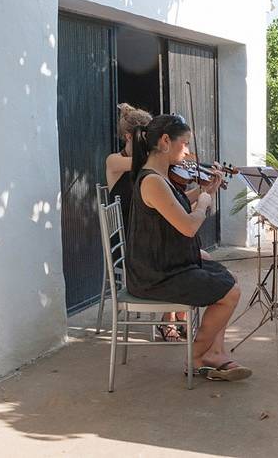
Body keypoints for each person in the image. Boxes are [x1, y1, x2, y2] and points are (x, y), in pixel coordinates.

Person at [124, 114, 251, 381]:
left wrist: (206, 191)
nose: (189, 151)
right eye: (185, 144)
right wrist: (204, 202)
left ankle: (215, 352)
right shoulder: (153, 181)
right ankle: (197, 356)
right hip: (156, 275)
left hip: (166, 262)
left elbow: (175, 204)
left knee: (228, 279)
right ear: (166, 141)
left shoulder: (159, 177)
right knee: (229, 293)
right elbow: (189, 227)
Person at [106, 103, 152, 224]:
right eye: (145, 138)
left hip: (144, 228)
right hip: (130, 233)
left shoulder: (149, 160)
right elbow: (139, 162)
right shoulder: (113, 160)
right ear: (129, 137)